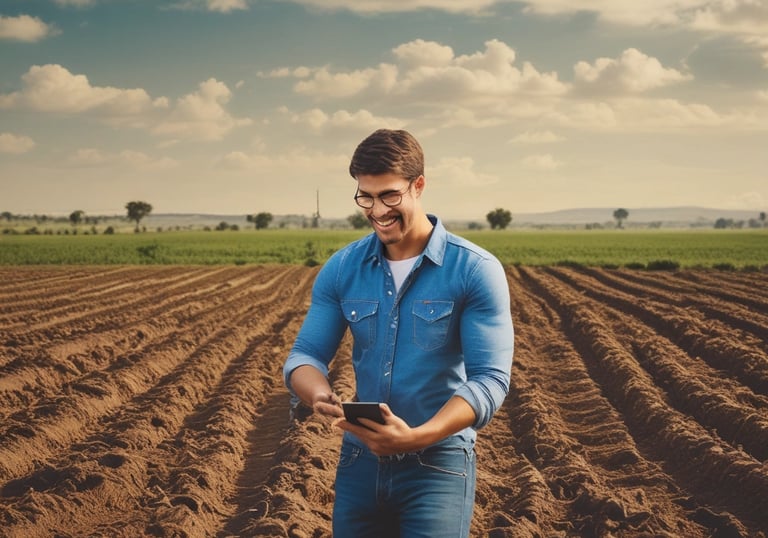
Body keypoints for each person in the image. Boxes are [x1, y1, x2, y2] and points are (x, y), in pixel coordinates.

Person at [283, 128, 514, 537]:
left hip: (437, 463)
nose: (377, 210)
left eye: (389, 195)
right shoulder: (342, 268)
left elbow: (490, 380)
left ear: (418, 185)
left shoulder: (475, 270)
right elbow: (304, 355)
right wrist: (318, 394)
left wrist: (417, 437)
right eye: (365, 197)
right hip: (360, 461)